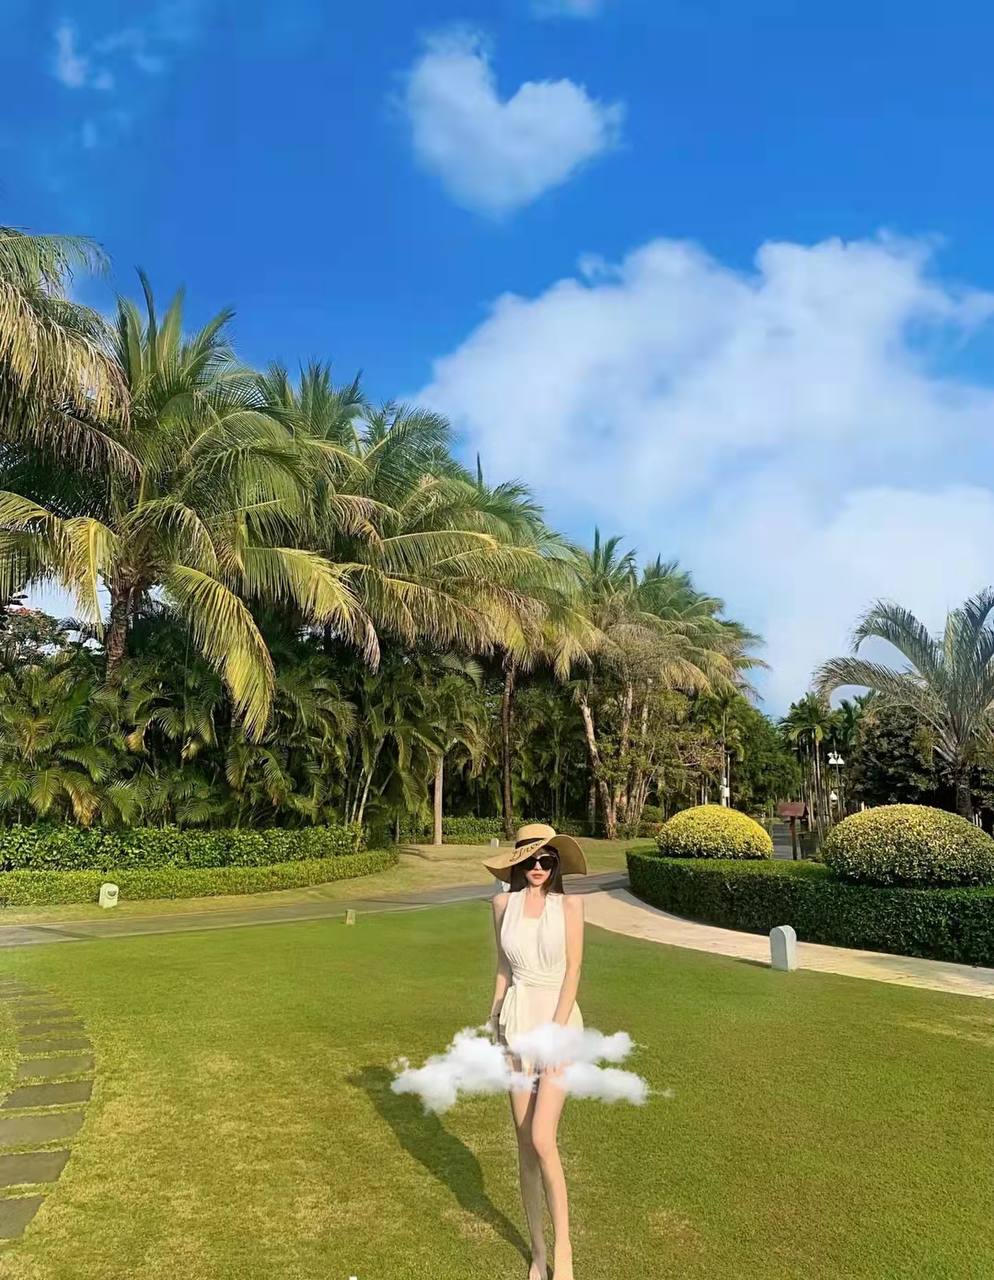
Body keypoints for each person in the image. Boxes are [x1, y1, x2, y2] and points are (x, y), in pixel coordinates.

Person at [485, 822, 587, 1280]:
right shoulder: (501, 904)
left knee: (544, 1136)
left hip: (558, 1023)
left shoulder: (570, 906)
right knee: (525, 1143)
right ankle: (538, 1252)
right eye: (531, 860)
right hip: (516, 1021)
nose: (539, 867)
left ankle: (564, 1248)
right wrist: (494, 1016)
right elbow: (503, 967)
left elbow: (573, 970)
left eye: (547, 860)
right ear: (518, 863)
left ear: (556, 864)